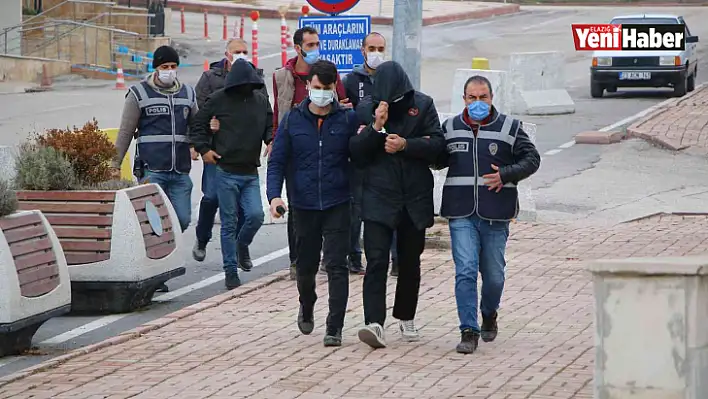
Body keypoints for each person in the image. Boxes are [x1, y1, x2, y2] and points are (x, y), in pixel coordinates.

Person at [435, 75, 540, 354]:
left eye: (483, 97)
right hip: (461, 213)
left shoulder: (510, 127)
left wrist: (505, 175)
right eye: (472, 98)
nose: (478, 103)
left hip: (496, 214)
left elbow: (532, 159)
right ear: (464, 100)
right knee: (466, 271)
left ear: (491, 98)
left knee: (494, 277)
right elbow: (435, 158)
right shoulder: (450, 127)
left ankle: (489, 313)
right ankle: (468, 330)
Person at [349, 61, 445, 349]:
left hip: (414, 198)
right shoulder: (367, 108)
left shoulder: (423, 105)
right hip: (378, 195)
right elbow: (356, 153)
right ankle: (374, 323)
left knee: (408, 262)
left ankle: (406, 315)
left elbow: (439, 147)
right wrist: (376, 127)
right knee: (376, 261)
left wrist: (407, 145)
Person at [267, 60, 359, 347]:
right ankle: (306, 304)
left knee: (336, 265)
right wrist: (274, 196)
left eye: (326, 89)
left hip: (338, 202)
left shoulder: (347, 120)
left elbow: (361, 156)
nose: (320, 93)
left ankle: (335, 326)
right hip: (303, 206)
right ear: (308, 86)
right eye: (316, 88)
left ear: (335, 89)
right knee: (306, 268)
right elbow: (277, 161)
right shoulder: (293, 120)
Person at [112, 45, 197, 293]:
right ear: (156, 68)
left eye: (172, 67)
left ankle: (162, 262)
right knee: (154, 224)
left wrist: (196, 144)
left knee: (180, 219)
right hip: (152, 170)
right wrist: (114, 165)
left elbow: (196, 124)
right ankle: (158, 274)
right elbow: (126, 132)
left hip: (180, 170)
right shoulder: (138, 93)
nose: (169, 71)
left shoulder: (188, 94)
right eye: (164, 67)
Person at [272, 26, 349, 280]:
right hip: (296, 145)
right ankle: (299, 263)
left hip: (330, 170)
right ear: (298, 48)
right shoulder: (284, 76)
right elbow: (278, 109)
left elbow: (343, 106)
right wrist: (274, 138)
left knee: (336, 260)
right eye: (310, 44)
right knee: (299, 214)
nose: (315, 49)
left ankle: (331, 266)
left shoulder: (330, 77)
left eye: (317, 44)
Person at [190, 59, 272, 290]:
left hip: (250, 171)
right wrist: (204, 149)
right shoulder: (218, 99)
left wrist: (270, 139)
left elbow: (269, 123)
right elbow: (198, 124)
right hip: (225, 170)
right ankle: (230, 271)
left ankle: (241, 245)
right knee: (228, 223)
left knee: (256, 215)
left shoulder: (261, 100)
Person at [341, 31, 395, 276]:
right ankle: (353, 257)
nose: (376, 54)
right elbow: (344, 114)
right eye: (371, 48)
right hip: (360, 153)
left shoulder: (392, 78)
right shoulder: (351, 80)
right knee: (356, 209)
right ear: (362, 50)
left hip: (386, 153)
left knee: (391, 207)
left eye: (380, 49)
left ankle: (396, 259)